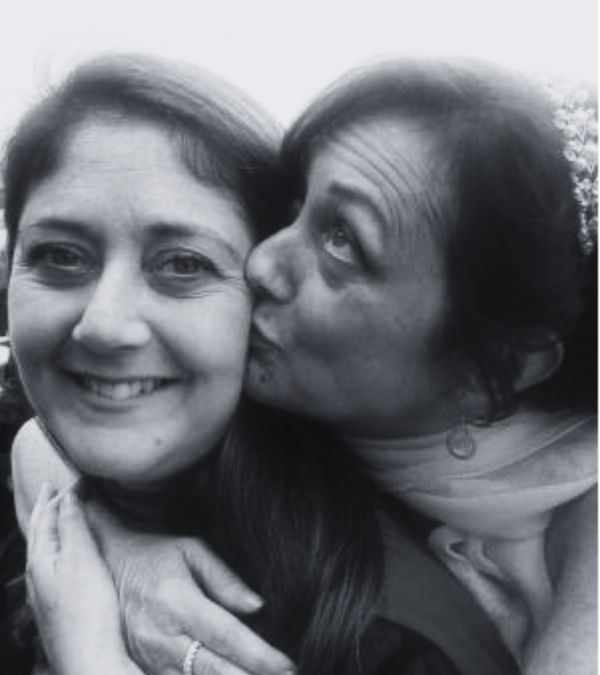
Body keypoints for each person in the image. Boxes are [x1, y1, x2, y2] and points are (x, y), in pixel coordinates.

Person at [25, 59, 595, 675]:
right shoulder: (267, 389)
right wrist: (111, 544)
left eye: (343, 241)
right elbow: (42, 438)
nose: (261, 264)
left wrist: (94, 659)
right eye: (294, 207)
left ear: (500, 368)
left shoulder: (566, 556)